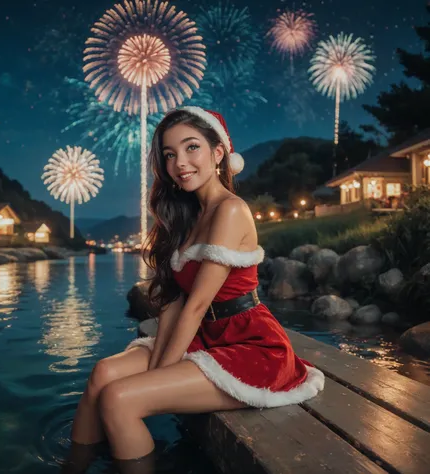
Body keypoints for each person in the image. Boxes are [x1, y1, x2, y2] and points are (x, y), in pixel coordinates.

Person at [62, 106, 325, 474]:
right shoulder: (187, 217)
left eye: (191, 148)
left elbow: (198, 304)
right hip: (204, 338)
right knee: (103, 374)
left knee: (120, 399)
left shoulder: (230, 210)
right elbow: (174, 302)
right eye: (169, 154)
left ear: (218, 154)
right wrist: (157, 369)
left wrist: (155, 378)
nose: (179, 163)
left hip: (249, 345)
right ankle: (73, 467)